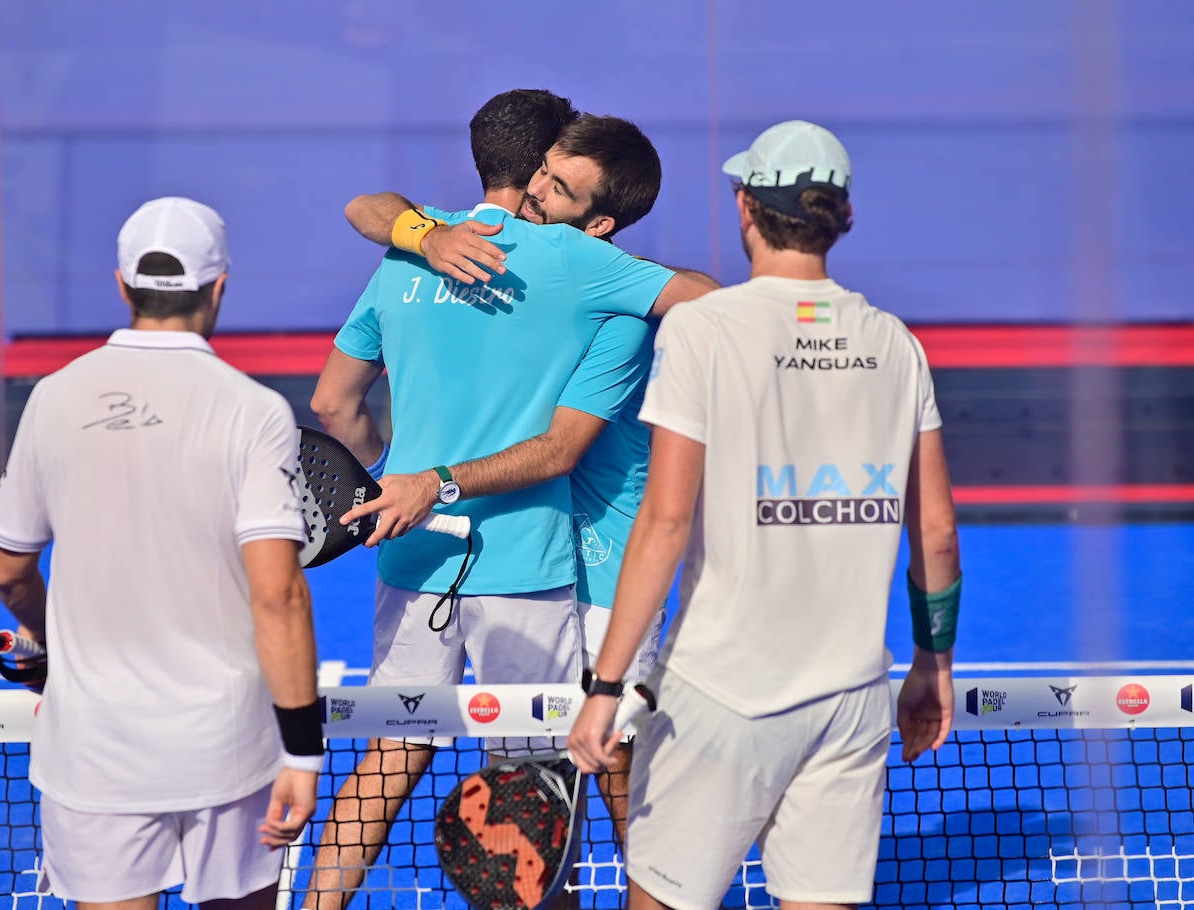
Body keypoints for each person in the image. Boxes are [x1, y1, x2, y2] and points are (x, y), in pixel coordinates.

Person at [304, 93, 713, 907]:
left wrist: (394, 479)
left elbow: (331, 405)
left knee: (391, 746)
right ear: (537, 165)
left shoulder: (408, 248)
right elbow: (711, 303)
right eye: (552, 174)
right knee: (533, 780)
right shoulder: (590, 272)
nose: (546, 193)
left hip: (414, 550)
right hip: (527, 562)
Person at [567, 120, 962, 910]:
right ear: (838, 216)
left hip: (721, 694)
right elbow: (938, 535)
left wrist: (607, 683)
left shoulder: (705, 329)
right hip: (851, 699)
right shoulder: (896, 344)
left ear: (745, 205)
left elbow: (666, 521)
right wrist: (933, 664)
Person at [0, 196, 324, 910]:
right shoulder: (253, 410)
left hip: (93, 752)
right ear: (220, 286)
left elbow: (10, 572)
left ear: (121, 284)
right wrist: (302, 750)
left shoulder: (52, 397)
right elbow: (279, 594)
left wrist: (52, 648)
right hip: (227, 748)